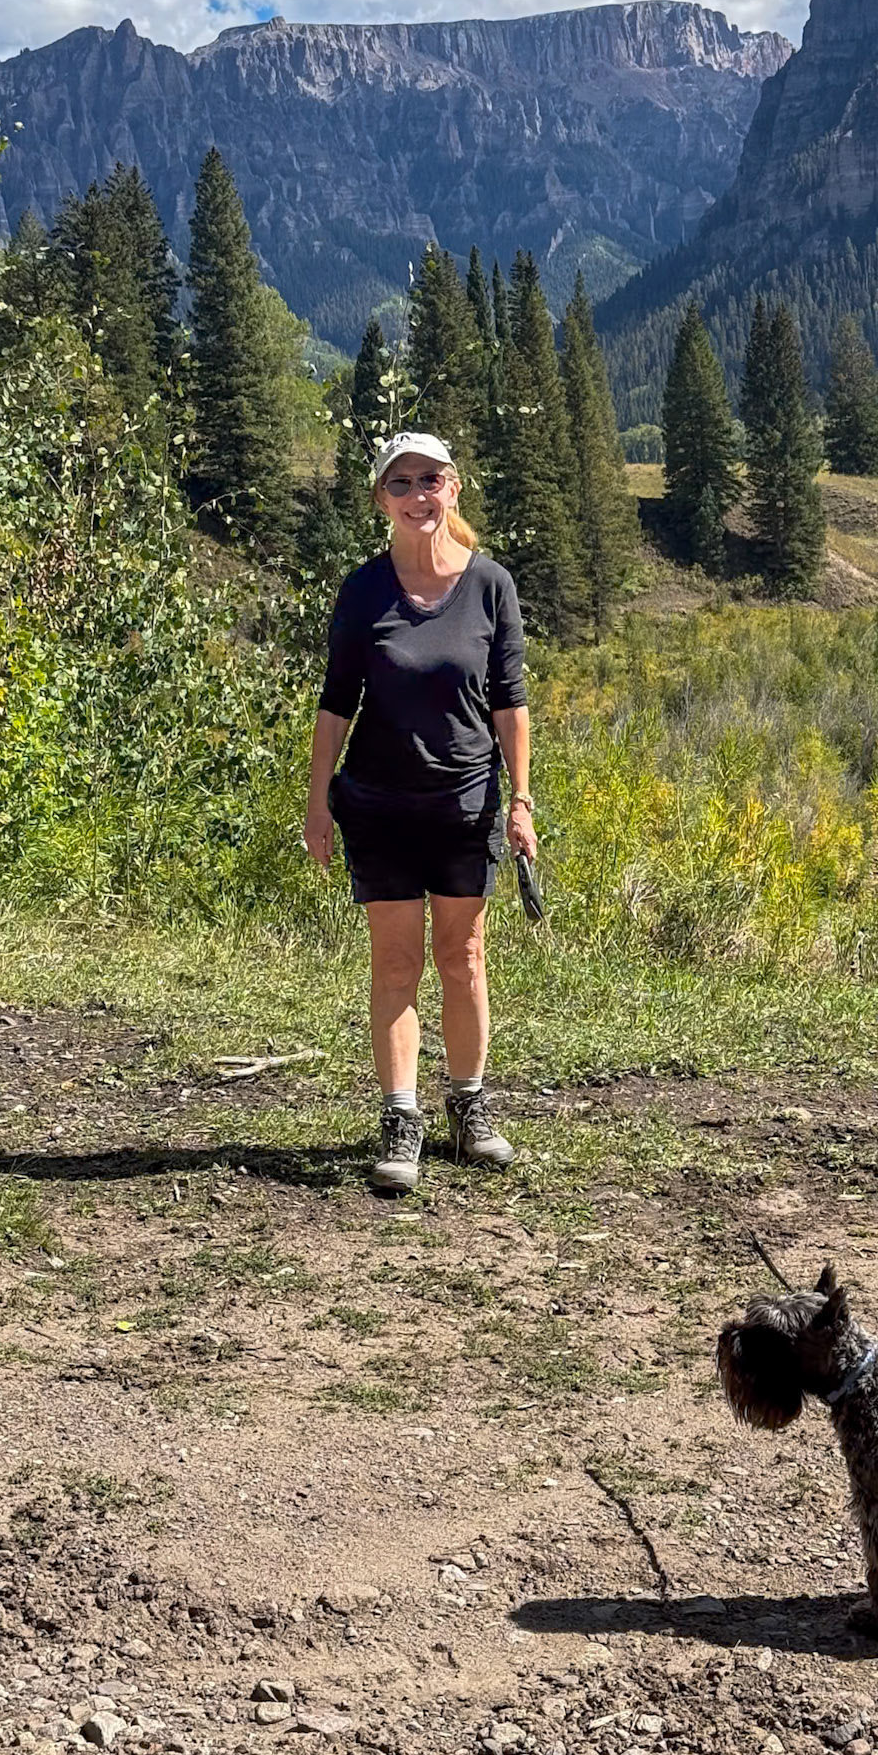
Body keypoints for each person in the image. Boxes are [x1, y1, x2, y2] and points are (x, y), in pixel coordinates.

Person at [302, 431, 537, 1194]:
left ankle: (468, 1107)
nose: (416, 495)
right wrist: (317, 801)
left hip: (465, 802)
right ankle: (401, 1118)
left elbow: (510, 703)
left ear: (453, 488)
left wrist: (522, 800)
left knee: (463, 960)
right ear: (381, 500)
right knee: (396, 963)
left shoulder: (491, 585)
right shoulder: (363, 590)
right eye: (400, 483)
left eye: (429, 480)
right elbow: (336, 703)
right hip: (377, 804)